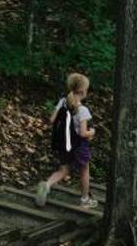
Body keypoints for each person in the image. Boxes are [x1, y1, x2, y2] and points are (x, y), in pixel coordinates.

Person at [36, 72, 96, 209]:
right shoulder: (83, 110)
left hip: (63, 143)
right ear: (82, 91)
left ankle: (47, 185)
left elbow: (52, 120)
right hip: (79, 145)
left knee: (63, 170)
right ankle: (85, 199)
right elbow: (82, 133)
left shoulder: (63, 101)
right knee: (84, 170)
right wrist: (92, 131)